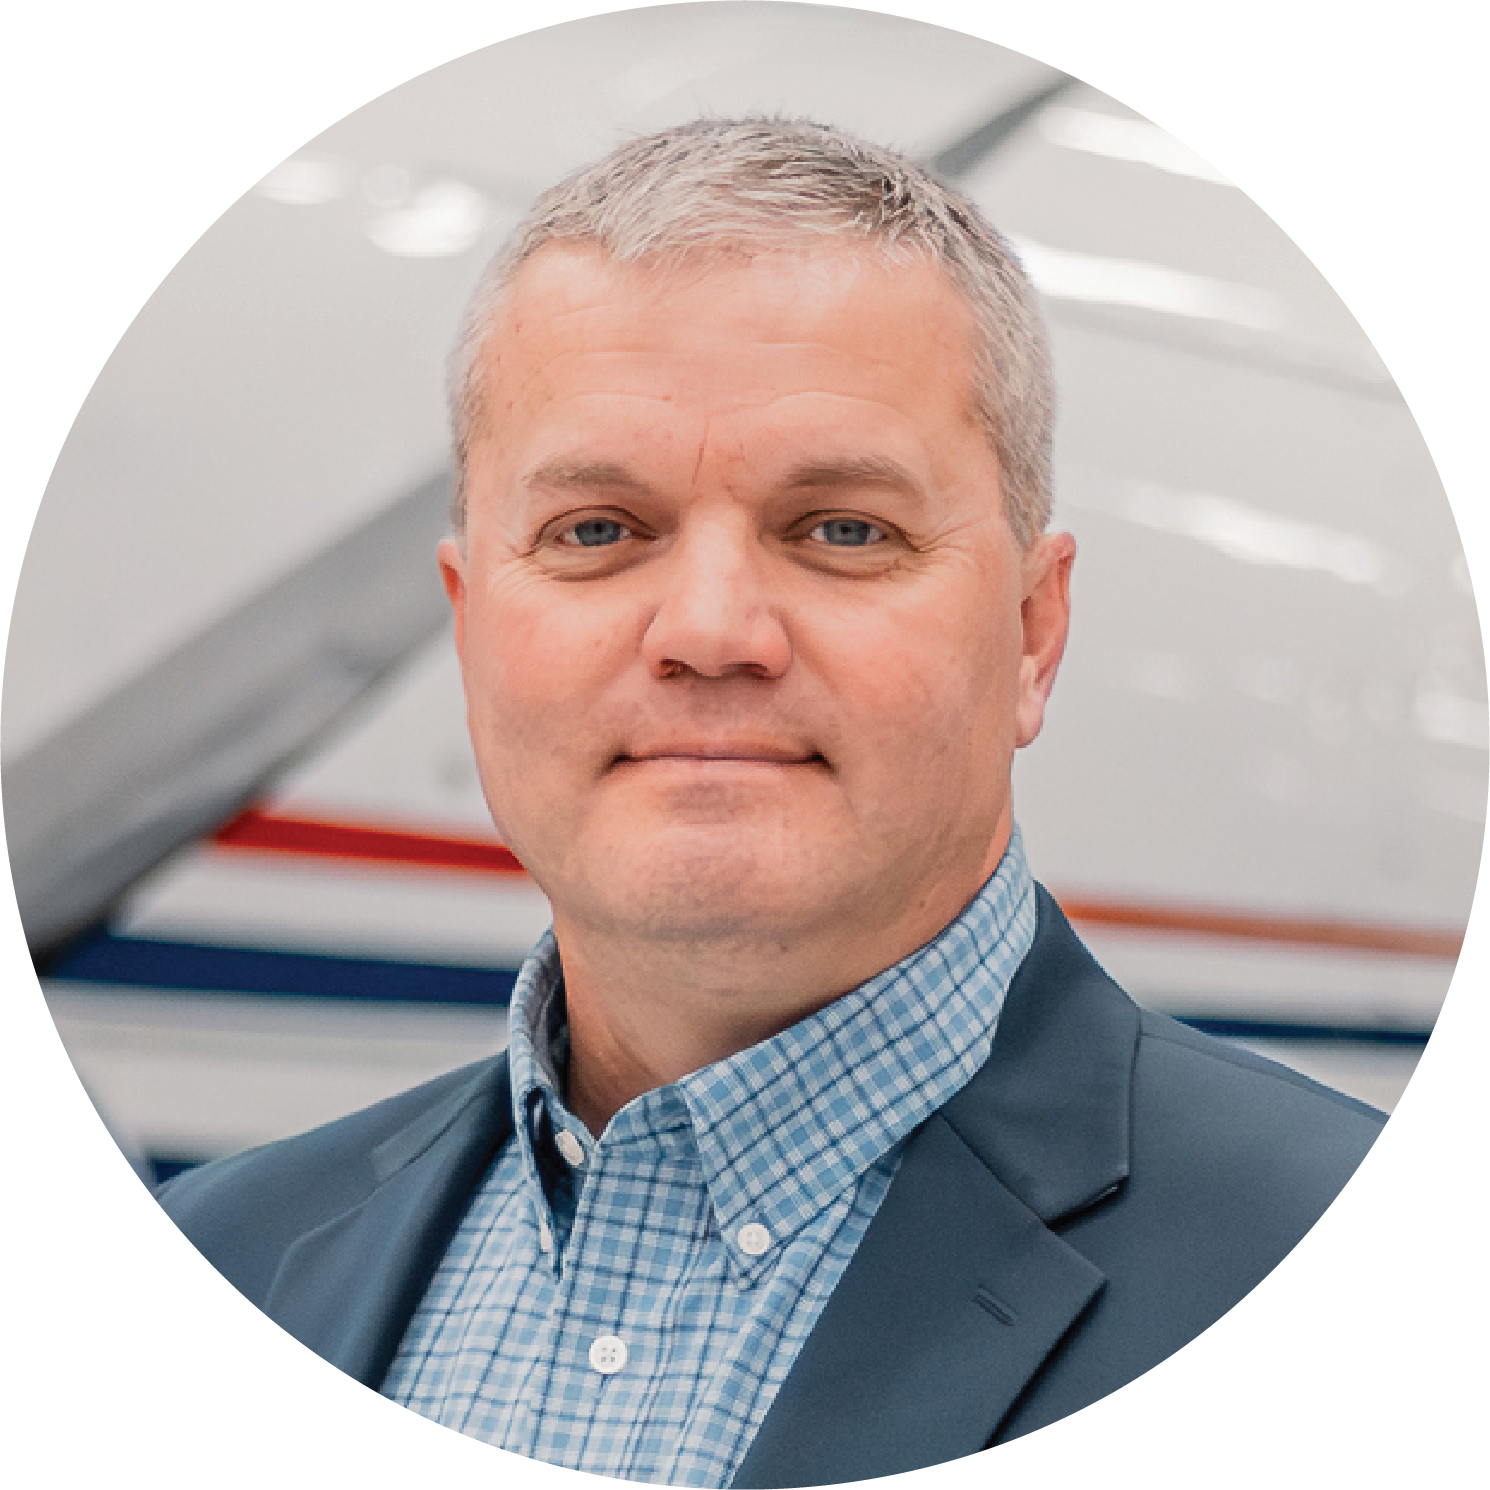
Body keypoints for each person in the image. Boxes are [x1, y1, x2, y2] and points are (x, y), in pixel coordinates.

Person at [155, 117, 1389, 1485]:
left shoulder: (1392, 1311)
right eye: (596, 532)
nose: (708, 628)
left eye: (841, 529)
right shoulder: (199, 1277)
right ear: (470, 629)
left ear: (1032, 632)